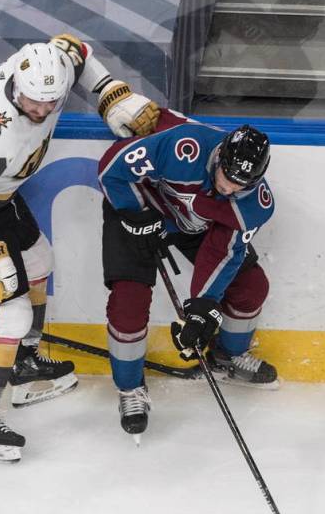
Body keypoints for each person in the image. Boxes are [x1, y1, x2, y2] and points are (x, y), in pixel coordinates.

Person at [0, 34, 161, 462]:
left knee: (38, 262)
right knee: (7, 311)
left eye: (48, 104)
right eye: (32, 102)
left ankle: (23, 364)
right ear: (16, 84)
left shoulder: (50, 69)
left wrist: (111, 94)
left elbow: (78, 48)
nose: (39, 111)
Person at [97, 109, 279, 439]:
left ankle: (228, 355)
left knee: (251, 286)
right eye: (227, 175)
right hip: (141, 208)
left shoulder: (254, 204)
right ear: (221, 153)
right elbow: (113, 167)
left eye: (242, 183)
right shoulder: (185, 146)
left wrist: (202, 308)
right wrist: (135, 213)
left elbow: (222, 252)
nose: (229, 187)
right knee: (129, 304)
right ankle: (129, 389)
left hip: (193, 225)